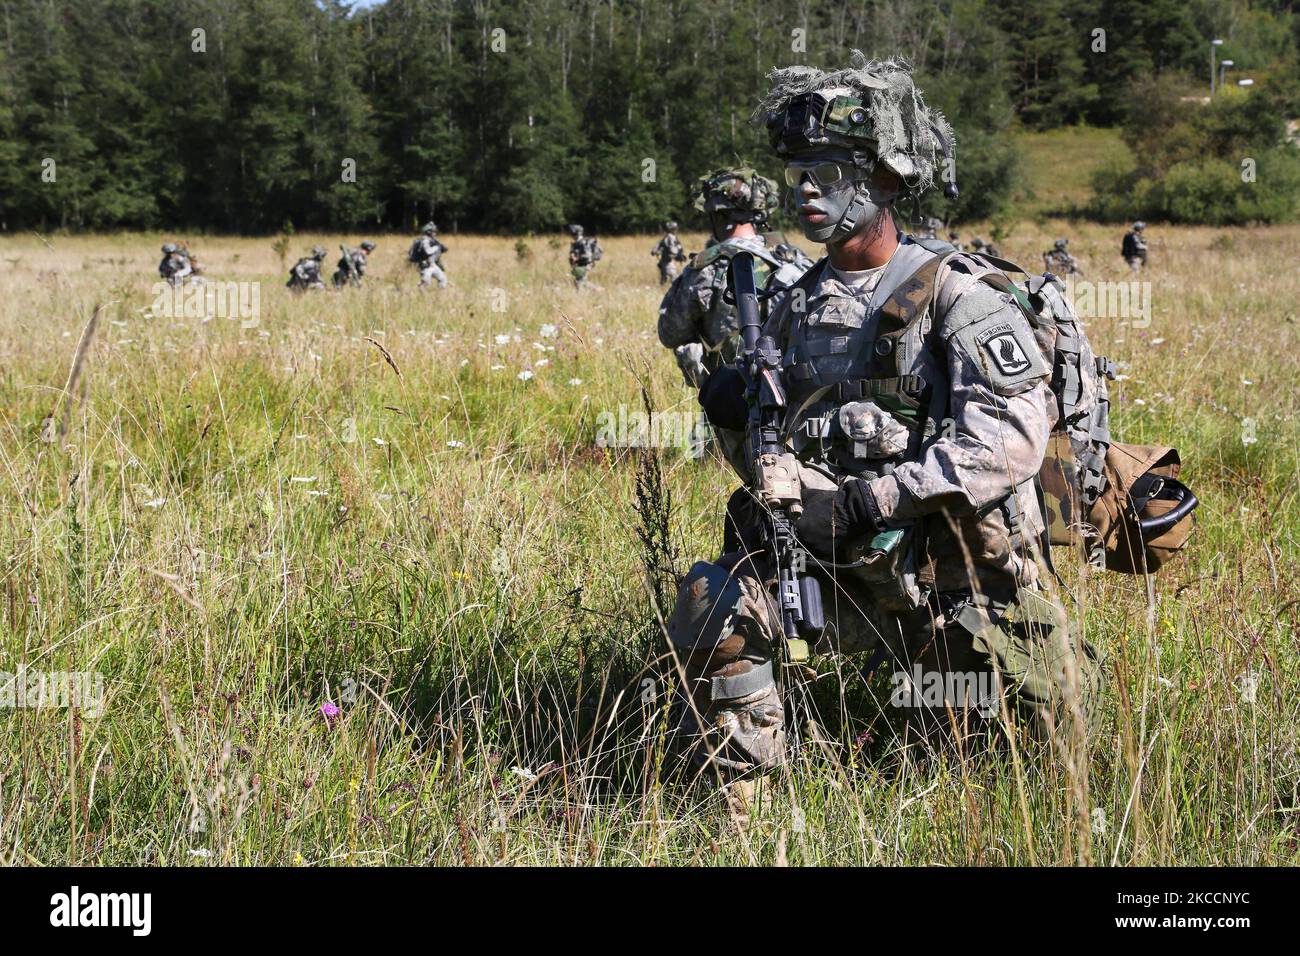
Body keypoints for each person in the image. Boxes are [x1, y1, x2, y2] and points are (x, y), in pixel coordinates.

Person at [665, 53, 1101, 804]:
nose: (806, 189)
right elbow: (780, 450)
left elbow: (1012, 438)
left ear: (886, 181)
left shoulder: (957, 293)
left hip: (960, 568)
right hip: (841, 564)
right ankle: (745, 814)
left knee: (1033, 747)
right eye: (800, 170)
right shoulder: (791, 302)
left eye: (829, 171)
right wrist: (744, 432)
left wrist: (875, 498)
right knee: (715, 598)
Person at [657, 166, 812, 472]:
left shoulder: (707, 268)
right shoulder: (797, 260)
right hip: (799, 406)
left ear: (720, 215)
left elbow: (670, 332)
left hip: (727, 406)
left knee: (707, 476)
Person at [409, 222, 448, 288]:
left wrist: (441, 249)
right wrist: (437, 247)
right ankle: (420, 295)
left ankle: (439, 296)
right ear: (429, 232)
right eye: (434, 231)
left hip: (432, 265)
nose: (435, 233)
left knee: (443, 279)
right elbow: (427, 252)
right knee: (425, 284)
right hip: (425, 266)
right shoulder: (424, 240)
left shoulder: (431, 240)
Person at [568, 224, 603, 289]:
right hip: (580, 264)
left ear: (578, 233)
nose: (571, 234)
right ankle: (598, 290)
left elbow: (587, 255)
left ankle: (598, 289)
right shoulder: (575, 243)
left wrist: (577, 258)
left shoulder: (583, 243)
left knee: (579, 282)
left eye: (573, 232)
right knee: (578, 282)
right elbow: (573, 253)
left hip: (586, 264)